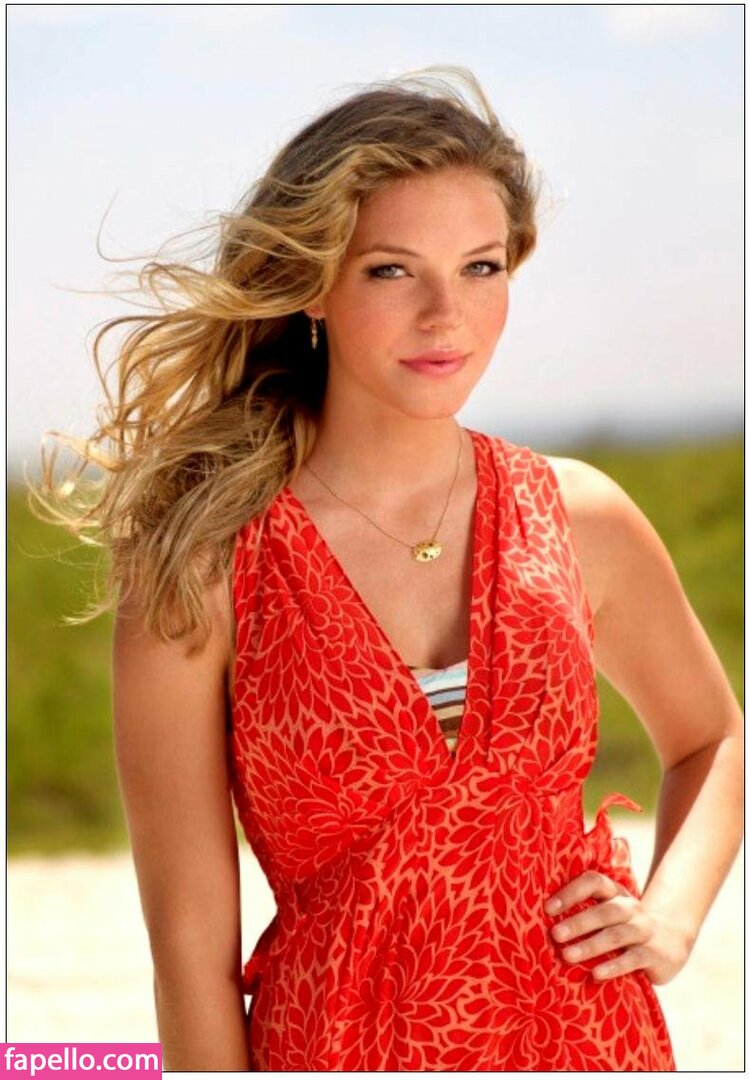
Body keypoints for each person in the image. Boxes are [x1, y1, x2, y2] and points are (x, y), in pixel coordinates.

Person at [36, 67, 743, 1071]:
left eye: (480, 267)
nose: (445, 314)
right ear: (310, 283)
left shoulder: (577, 516)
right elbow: (190, 953)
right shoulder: (204, 564)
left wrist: (668, 919)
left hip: (589, 1045)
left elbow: (711, 737)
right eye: (390, 271)